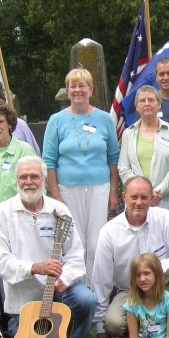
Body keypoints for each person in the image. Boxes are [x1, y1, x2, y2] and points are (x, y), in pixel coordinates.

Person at [0, 156, 97, 338]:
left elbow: (75, 253)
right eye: (23, 177)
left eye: (34, 177)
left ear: (45, 180)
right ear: (16, 180)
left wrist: (65, 278)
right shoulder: (2, 213)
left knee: (86, 300)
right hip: (24, 294)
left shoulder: (59, 211)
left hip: (57, 287)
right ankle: (18, 329)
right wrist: (35, 267)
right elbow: (0, 260)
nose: (29, 182)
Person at [43, 68, 121, 288]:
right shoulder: (56, 120)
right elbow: (49, 161)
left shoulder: (105, 119)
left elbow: (113, 157)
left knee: (95, 244)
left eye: (82, 85)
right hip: (67, 188)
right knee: (74, 242)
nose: (78, 90)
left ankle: (96, 294)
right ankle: (76, 290)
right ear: (67, 90)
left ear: (91, 89)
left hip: (100, 187)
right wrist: (55, 195)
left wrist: (114, 190)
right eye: (73, 86)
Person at [93, 176, 169, 338]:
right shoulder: (109, 231)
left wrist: (157, 269)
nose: (139, 202)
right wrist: (100, 330)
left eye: (144, 197)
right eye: (134, 197)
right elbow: (101, 280)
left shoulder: (165, 218)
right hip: (130, 292)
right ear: (124, 197)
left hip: (163, 286)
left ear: (152, 198)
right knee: (113, 323)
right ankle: (142, 336)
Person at [118, 85, 169, 218]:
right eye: (142, 100)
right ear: (136, 107)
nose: (147, 103)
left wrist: (157, 192)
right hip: (137, 201)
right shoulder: (128, 134)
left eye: (151, 100)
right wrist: (142, 193)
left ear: (159, 104)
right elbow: (123, 168)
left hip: (166, 199)